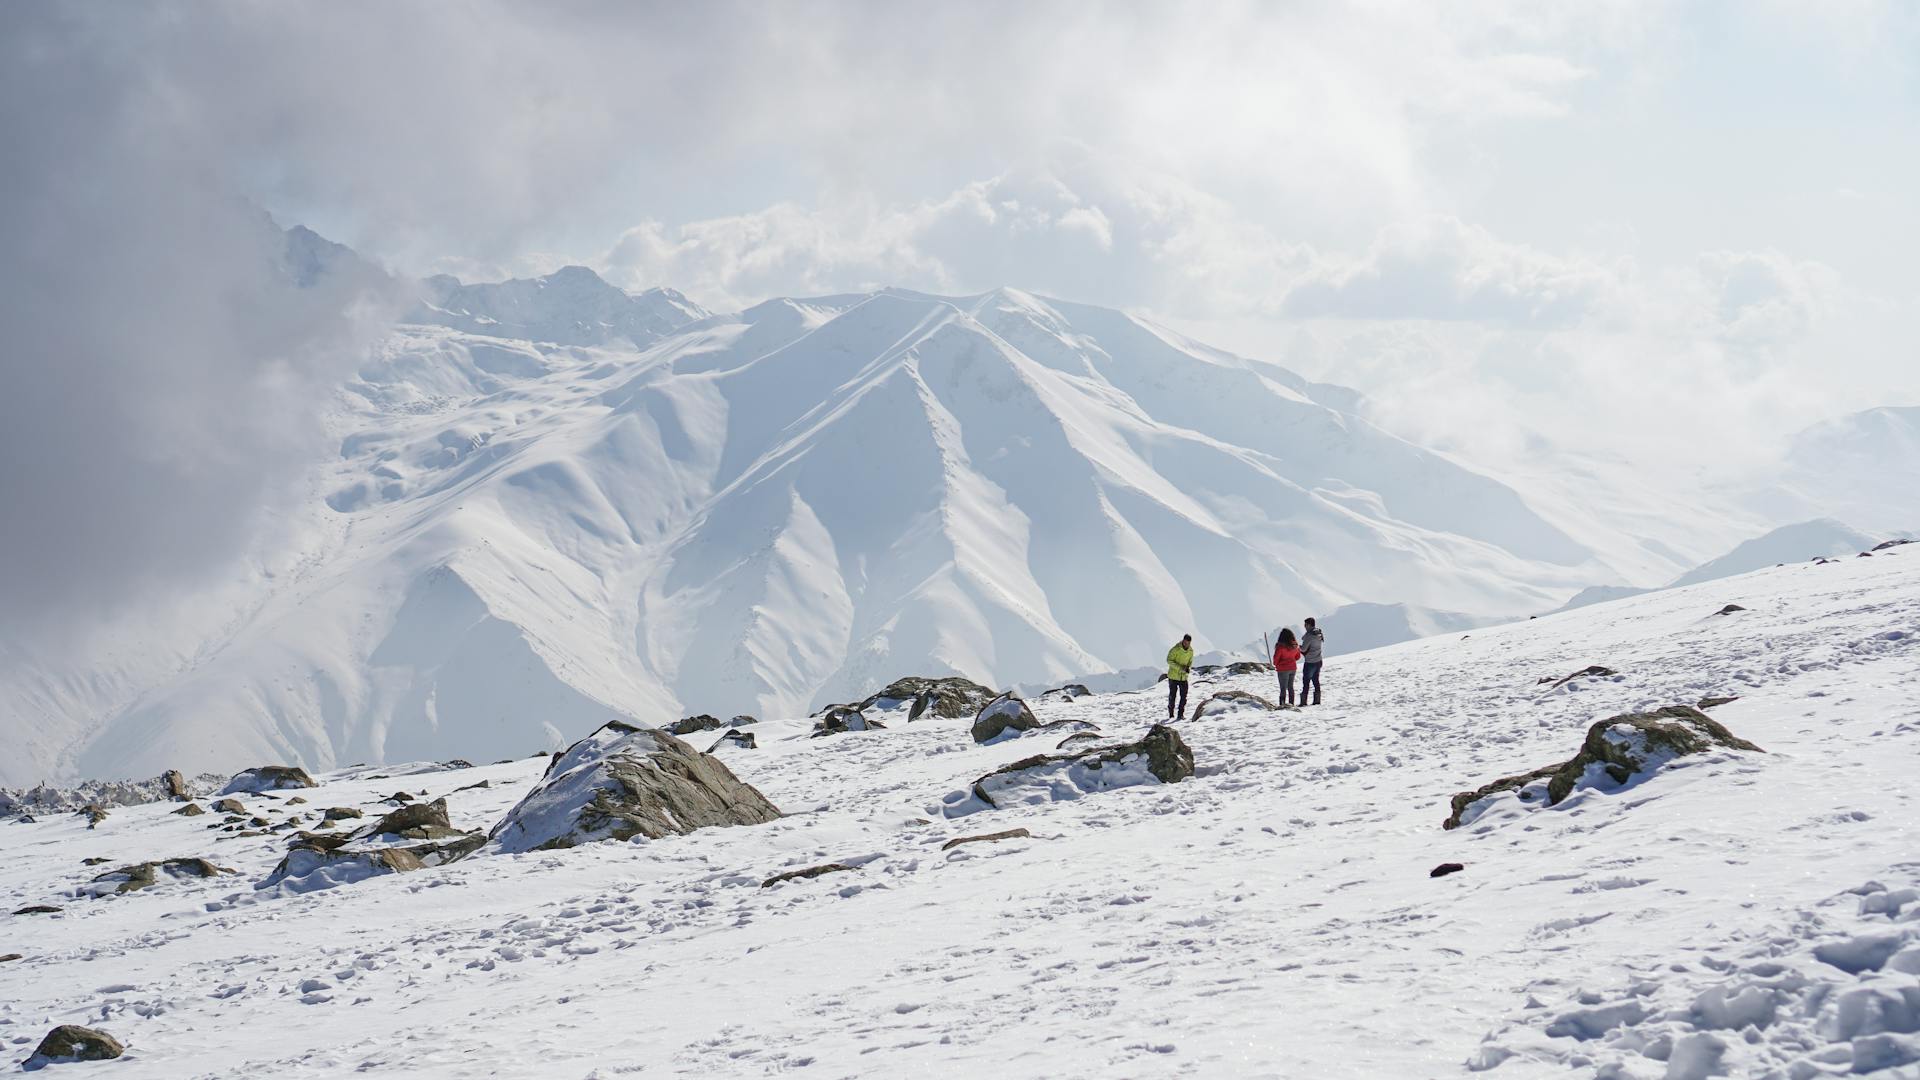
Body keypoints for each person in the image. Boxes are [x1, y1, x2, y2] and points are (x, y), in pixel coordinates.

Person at [1165, 634, 1195, 720]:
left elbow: (1190, 661)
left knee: (1183, 696)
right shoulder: (1176, 649)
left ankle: (1180, 714)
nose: (1186, 644)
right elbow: (1169, 660)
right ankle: (1171, 714)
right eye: (1185, 642)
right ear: (1183, 640)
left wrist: (1188, 668)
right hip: (1173, 677)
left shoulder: (1191, 651)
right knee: (1172, 696)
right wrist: (1180, 668)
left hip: (1183, 677)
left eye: (1188, 643)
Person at [1271, 627, 1302, 706]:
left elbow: (1276, 659)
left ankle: (1282, 705)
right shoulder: (1295, 645)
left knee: (1283, 688)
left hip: (1283, 669)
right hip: (1292, 668)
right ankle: (1291, 704)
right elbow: (1298, 657)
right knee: (1290, 687)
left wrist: (1276, 664)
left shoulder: (1280, 646)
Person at [1300, 617, 1325, 705]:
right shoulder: (1318, 633)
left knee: (1306, 681)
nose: (1304, 626)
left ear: (1309, 625)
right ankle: (1317, 700)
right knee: (1315, 680)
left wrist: (1298, 647)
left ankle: (1303, 702)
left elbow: (1303, 649)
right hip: (1318, 660)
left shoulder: (1309, 635)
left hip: (1310, 661)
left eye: (1305, 624)